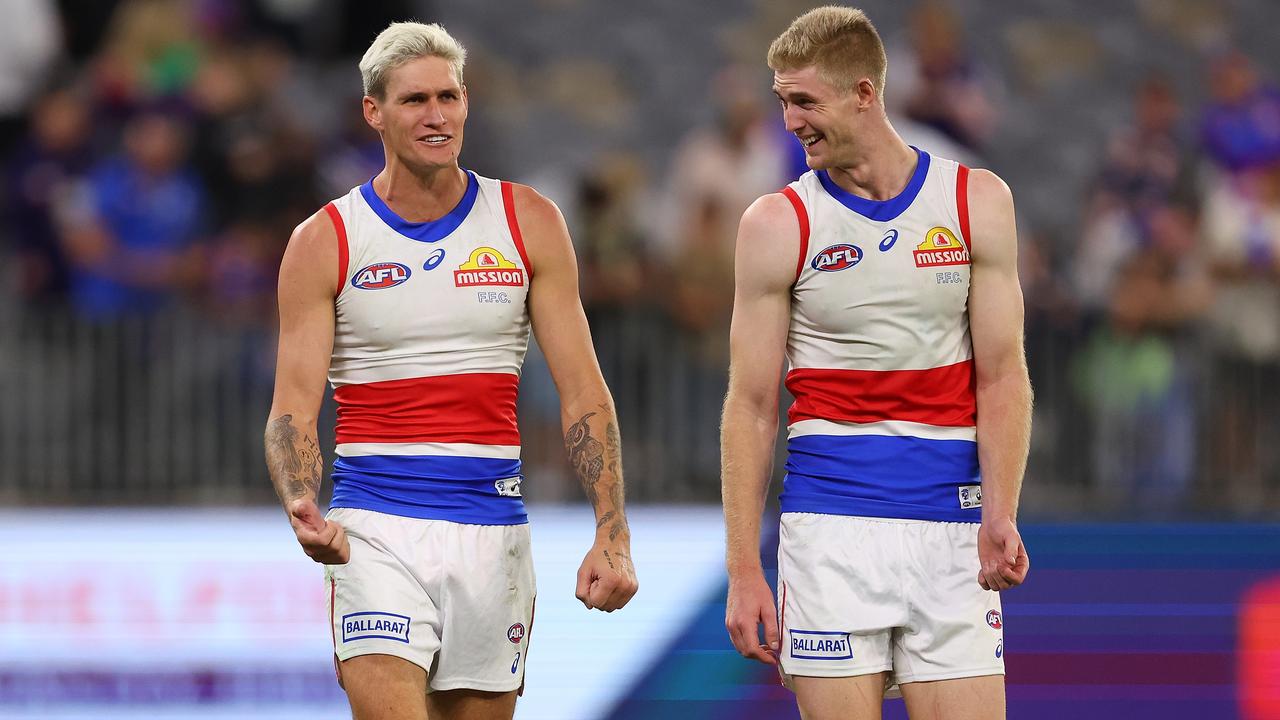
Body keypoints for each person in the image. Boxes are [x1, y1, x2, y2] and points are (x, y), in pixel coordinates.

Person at [264, 22, 637, 720]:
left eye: (449, 97)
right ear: (373, 111)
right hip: (374, 532)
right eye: (414, 101)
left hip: (492, 533)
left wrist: (611, 528)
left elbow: (584, 389)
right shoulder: (325, 241)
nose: (436, 116)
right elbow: (293, 405)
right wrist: (299, 498)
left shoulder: (528, 221)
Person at [720, 7, 1031, 720]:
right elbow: (752, 404)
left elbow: (1004, 374)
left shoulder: (975, 203)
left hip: (951, 529)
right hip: (831, 532)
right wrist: (743, 568)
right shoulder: (776, 224)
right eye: (782, 102)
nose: (789, 121)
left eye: (804, 102)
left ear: (864, 92)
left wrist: (1002, 511)